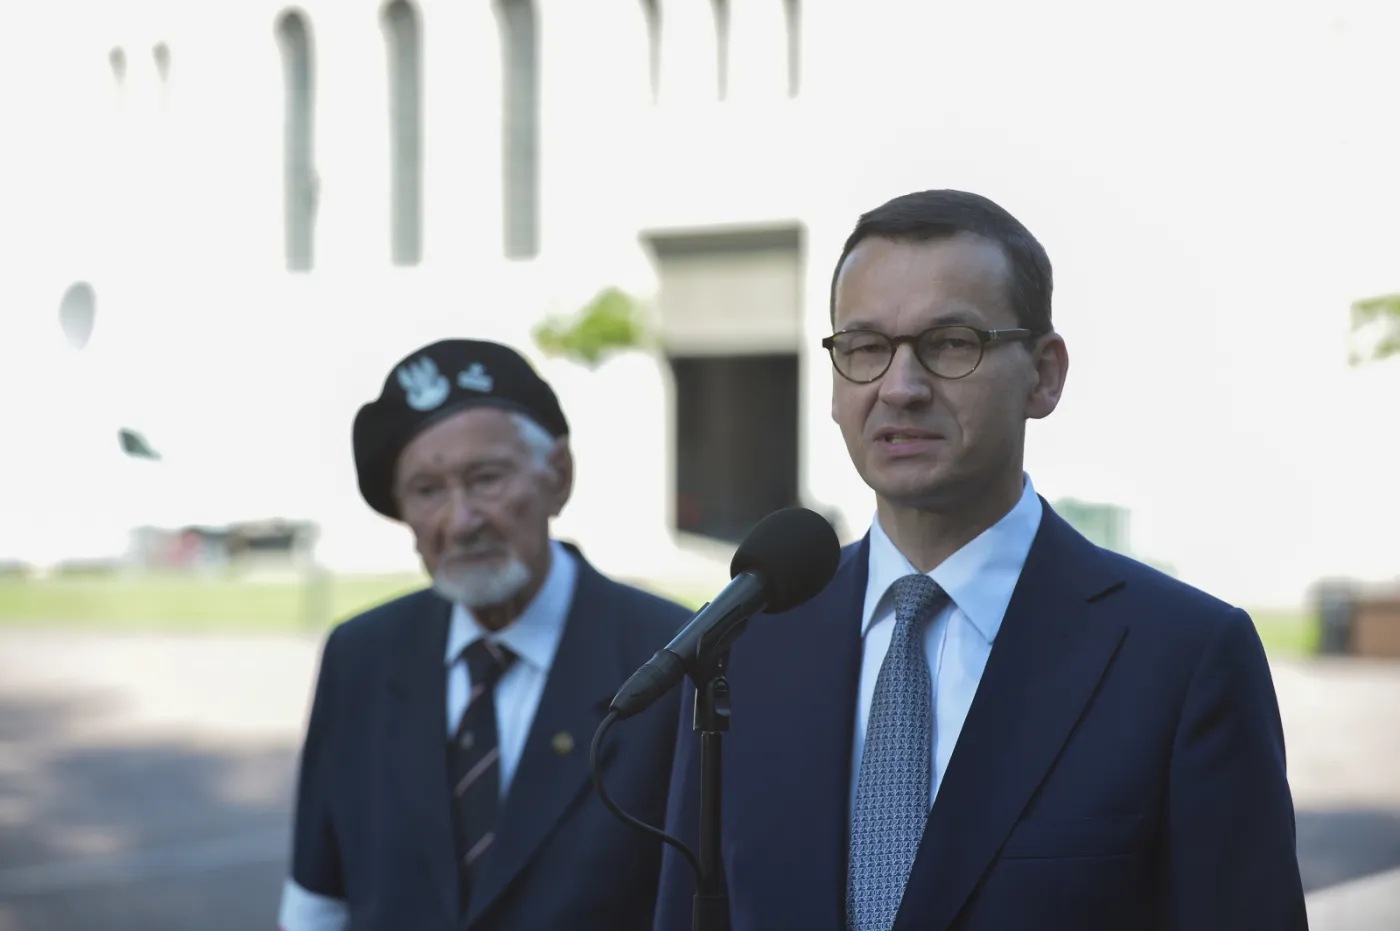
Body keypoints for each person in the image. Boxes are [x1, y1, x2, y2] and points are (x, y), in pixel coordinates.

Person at [652, 190, 1307, 931]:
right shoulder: (747, 643)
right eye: (866, 347)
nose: (900, 387)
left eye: (952, 342)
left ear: (1044, 374)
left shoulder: (1181, 660)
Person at [278, 338, 691, 931]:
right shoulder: (361, 656)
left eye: (486, 478)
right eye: (427, 491)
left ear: (558, 476)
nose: (460, 520)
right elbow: (317, 901)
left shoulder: (674, 657)